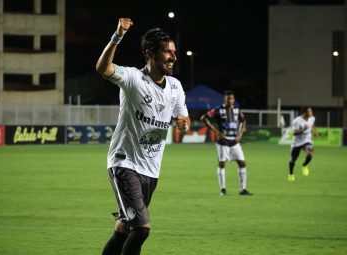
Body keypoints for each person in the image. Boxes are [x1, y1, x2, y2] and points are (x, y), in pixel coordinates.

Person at [96, 18, 190, 255]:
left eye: (174, 52)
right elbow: (103, 68)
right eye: (167, 52)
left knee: (124, 229)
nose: (173, 56)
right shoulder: (133, 79)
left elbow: (183, 119)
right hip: (124, 162)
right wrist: (117, 37)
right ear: (150, 53)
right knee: (142, 229)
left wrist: (183, 122)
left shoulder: (176, 87)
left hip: (151, 169)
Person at [201, 90, 252, 196]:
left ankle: (243, 189)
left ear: (234, 100)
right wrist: (215, 131)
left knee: (242, 163)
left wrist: (240, 134)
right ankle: (223, 189)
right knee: (222, 164)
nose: (230, 100)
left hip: (234, 141)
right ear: (224, 99)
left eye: (232, 98)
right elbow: (204, 118)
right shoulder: (218, 110)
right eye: (228, 98)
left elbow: (243, 121)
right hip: (222, 141)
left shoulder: (237, 110)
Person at [288, 106, 318, 181]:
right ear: (305, 112)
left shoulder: (312, 118)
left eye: (311, 111)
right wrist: (302, 129)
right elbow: (295, 133)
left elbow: (312, 124)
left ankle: (304, 165)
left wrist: (315, 131)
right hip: (297, 142)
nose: (311, 113)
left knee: (310, 153)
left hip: (306, 140)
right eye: (309, 111)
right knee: (292, 160)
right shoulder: (297, 121)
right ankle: (291, 174)